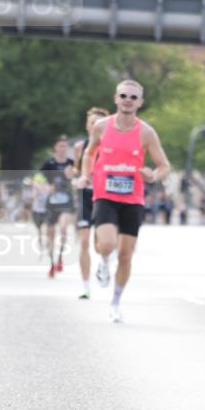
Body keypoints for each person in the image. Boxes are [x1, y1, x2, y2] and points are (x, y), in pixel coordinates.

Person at [77, 79, 171, 322]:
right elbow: (89, 153)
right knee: (106, 244)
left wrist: (153, 175)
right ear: (116, 99)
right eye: (123, 96)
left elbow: (164, 166)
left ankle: (115, 302)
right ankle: (103, 261)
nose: (128, 100)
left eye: (133, 97)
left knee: (126, 255)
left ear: (140, 102)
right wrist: (85, 175)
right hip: (105, 194)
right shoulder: (101, 127)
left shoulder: (146, 132)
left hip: (133, 198)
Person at [73, 107, 109, 299]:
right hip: (85, 197)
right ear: (87, 126)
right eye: (92, 122)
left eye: (98, 122)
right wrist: (75, 174)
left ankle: (103, 263)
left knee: (100, 244)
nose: (94, 125)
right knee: (84, 241)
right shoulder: (80, 147)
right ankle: (86, 286)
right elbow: (77, 169)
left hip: (103, 196)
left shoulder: (109, 145)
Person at [40, 136, 75, 278]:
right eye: (60, 146)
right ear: (55, 148)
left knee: (63, 228)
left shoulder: (71, 163)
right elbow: (38, 180)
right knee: (50, 234)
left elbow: (78, 177)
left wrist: (73, 177)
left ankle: (60, 256)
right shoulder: (48, 164)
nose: (63, 149)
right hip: (51, 203)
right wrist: (46, 187)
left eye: (65, 146)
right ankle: (52, 263)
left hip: (66, 202)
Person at [30, 172, 49, 257]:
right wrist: (36, 189)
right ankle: (41, 244)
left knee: (44, 227)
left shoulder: (47, 188)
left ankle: (47, 242)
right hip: (37, 210)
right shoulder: (35, 189)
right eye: (38, 182)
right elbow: (33, 197)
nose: (39, 184)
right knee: (39, 229)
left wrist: (43, 188)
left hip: (45, 210)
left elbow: (49, 193)